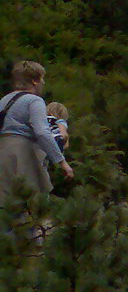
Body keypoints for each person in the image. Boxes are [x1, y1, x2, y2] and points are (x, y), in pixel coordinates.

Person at [0, 61, 74, 210]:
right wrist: (61, 161)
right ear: (34, 80)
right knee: (28, 206)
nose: (44, 82)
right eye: (42, 79)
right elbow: (42, 132)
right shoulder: (34, 100)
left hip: (3, 152)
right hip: (23, 155)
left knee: (5, 206)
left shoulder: (4, 100)